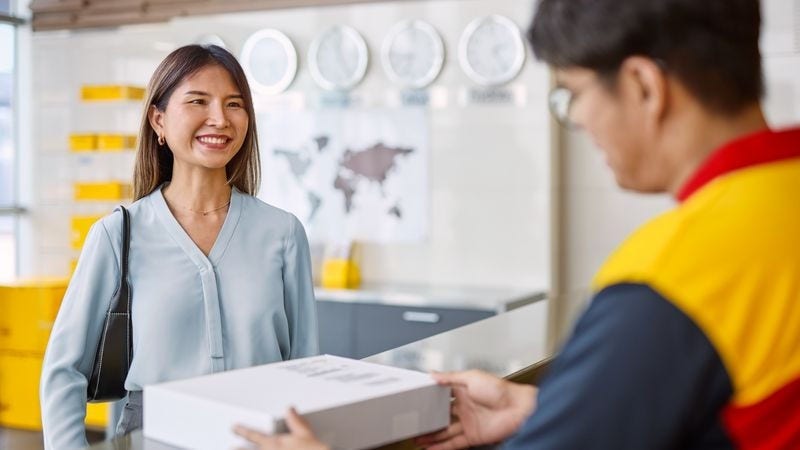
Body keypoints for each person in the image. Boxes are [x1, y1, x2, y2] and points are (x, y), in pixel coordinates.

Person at [236, 0, 800, 448]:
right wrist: (543, 410)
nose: (578, 120)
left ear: (643, 87)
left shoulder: (672, 281)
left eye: (573, 95)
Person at [40, 44, 319, 449]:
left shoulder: (283, 233)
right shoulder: (117, 234)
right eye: (198, 101)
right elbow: (63, 372)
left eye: (234, 104)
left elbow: (306, 366)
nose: (219, 118)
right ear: (159, 119)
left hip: (261, 436)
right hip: (151, 436)